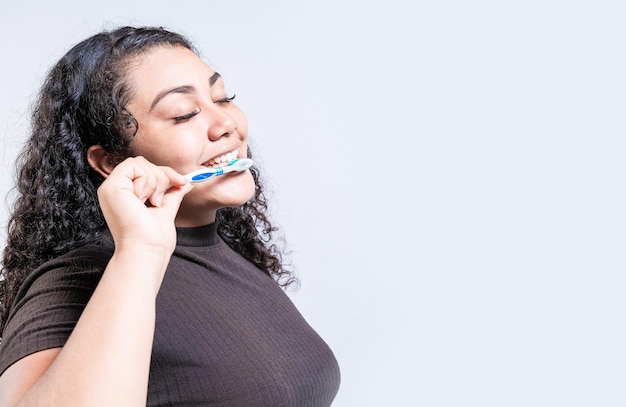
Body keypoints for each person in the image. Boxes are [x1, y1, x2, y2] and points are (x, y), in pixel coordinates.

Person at [0, 26, 340, 406]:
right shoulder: (78, 277)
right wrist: (142, 249)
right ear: (111, 161)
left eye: (222, 97)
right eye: (184, 114)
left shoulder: (232, 256)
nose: (225, 124)